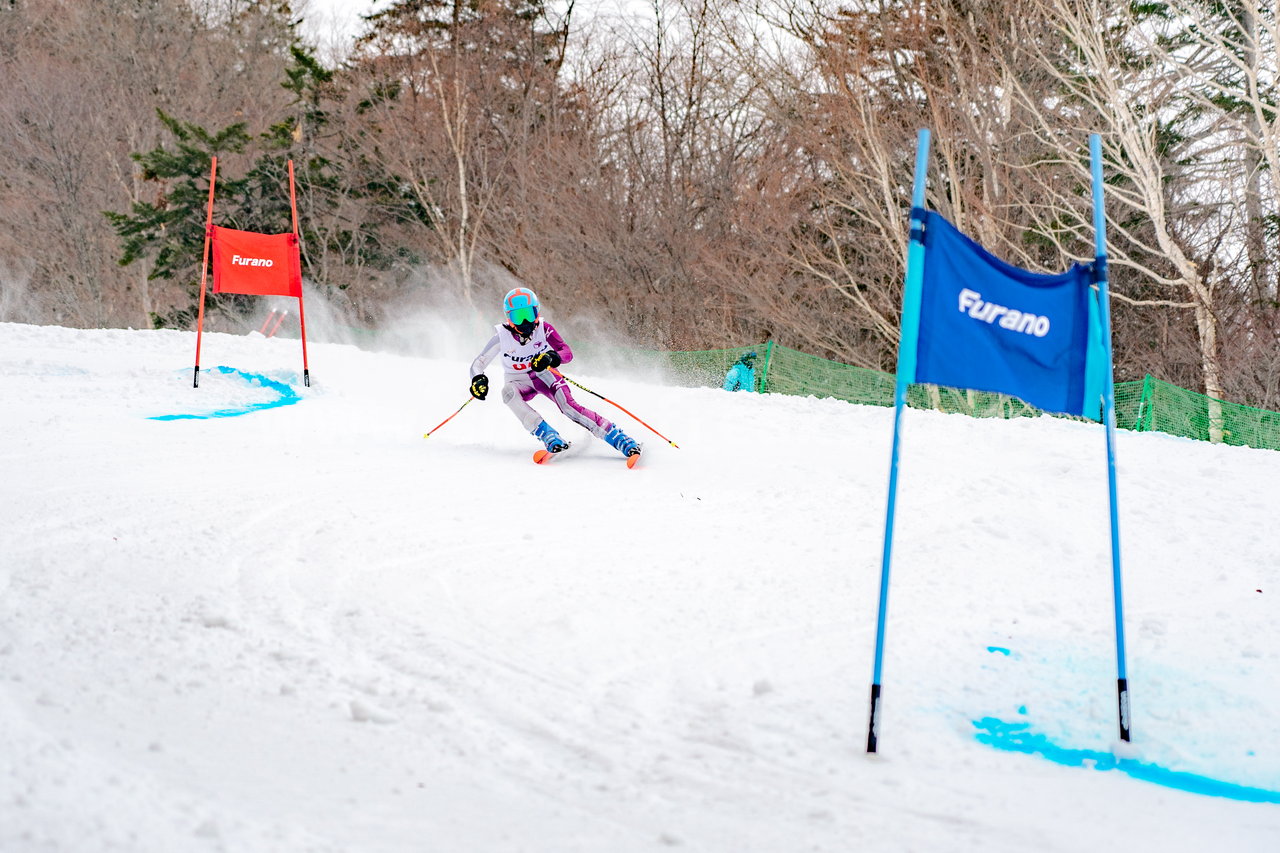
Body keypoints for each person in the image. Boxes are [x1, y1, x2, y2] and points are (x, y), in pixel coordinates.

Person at [468, 287, 641, 459]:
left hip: (544, 376)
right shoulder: (502, 336)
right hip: (518, 381)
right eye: (518, 316)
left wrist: (551, 357)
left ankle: (618, 438)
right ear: (509, 318)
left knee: (568, 407)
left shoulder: (544, 329)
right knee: (508, 393)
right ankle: (548, 435)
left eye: (529, 314)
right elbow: (478, 364)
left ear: (537, 312)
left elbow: (567, 352)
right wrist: (478, 379)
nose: (525, 322)